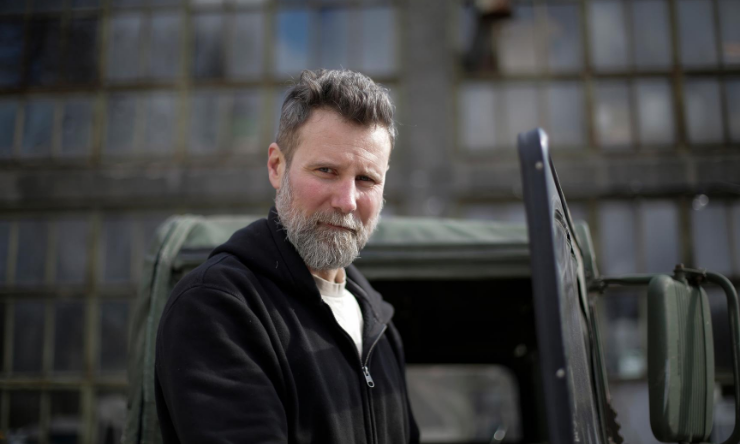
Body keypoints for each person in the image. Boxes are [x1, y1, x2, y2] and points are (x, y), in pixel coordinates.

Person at [154, 69, 420, 444]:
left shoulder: (378, 322)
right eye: (327, 171)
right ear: (277, 167)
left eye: (367, 180)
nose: (346, 201)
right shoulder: (217, 307)